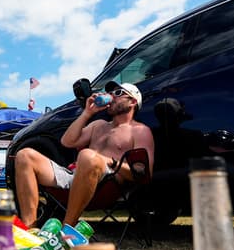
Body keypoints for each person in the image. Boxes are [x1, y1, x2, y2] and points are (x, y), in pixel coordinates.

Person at [14, 81, 155, 228]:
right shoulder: (98, 125)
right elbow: (67, 141)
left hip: (107, 186)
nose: (112, 96)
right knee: (24, 156)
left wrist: (110, 161)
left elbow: (143, 173)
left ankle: (67, 229)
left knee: (87, 156)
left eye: (118, 93)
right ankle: (29, 228)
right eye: (111, 93)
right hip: (75, 176)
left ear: (132, 102)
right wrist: (87, 113)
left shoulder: (139, 131)